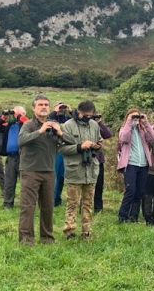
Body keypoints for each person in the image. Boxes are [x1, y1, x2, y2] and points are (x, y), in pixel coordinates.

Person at [18, 94, 75, 246]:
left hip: (49, 171)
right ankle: (26, 240)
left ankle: (47, 238)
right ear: (33, 108)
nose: (43, 107)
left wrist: (60, 132)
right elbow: (21, 140)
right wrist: (40, 131)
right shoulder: (29, 125)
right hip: (30, 170)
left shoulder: (54, 126)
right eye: (40, 105)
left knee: (48, 206)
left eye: (46, 105)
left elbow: (73, 142)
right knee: (28, 207)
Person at [59, 101, 103, 240]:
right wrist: (79, 147)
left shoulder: (94, 125)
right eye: (85, 115)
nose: (88, 118)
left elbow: (100, 142)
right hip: (75, 169)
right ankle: (69, 231)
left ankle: (86, 231)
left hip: (91, 169)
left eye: (91, 116)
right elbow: (61, 148)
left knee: (88, 202)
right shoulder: (67, 126)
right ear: (79, 112)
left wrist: (97, 146)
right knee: (72, 202)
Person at [117, 109, 154, 223]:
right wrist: (129, 121)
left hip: (143, 165)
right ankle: (123, 216)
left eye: (136, 117)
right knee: (130, 190)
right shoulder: (124, 129)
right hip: (130, 164)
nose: (135, 119)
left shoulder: (142, 131)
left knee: (139, 192)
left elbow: (153, 138)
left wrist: (146, 122)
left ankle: (134, 216)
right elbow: (124, 138)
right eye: (133, 116)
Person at [0, 106, 28, 209]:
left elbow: (26, 122)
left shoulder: (26, 125)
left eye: (16, 113)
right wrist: (3, 118)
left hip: (23, 157)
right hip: (10, 157)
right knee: (9, 182)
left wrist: (18, 115)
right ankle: (7, 204)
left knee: (25, 183)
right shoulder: (10, 125)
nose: (13, 115)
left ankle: (26, 204)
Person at [50, 101, 73, 207]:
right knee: (54, 175)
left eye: (62, 107)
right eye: (59, 107)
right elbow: (48, 121)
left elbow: (78, 120)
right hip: (53, 149)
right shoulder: (51, 118)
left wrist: (71, 111)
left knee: (61, 176)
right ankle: (52, 198)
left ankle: (57, 199)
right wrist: (55, 111)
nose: (61, 109)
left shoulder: (68, 120)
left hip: (66, 148)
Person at [93, 114, 113, 213]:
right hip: (87, 160)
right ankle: (84, 206)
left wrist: (100, 122)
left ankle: (98, 207)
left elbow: (108, 134)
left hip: (99, 159)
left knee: (99, 185)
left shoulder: (98, 126)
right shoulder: (85, 126)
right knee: (86, 185)